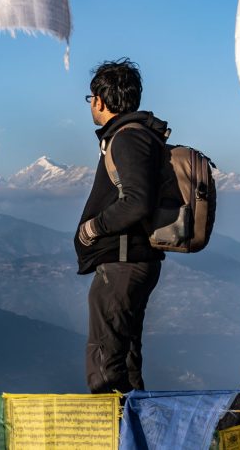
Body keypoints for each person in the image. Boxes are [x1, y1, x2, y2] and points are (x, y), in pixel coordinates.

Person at [74, 58, 168, 394]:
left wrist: (93, 228)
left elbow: (136, 201)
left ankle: (112, 434)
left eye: (91, 99)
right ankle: (133, 434)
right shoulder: (140, 136)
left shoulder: (127, 139)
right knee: (126, 359)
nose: (91, 105)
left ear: (99, 100)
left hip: (122, 264)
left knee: (106, 362)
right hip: (132, 262)